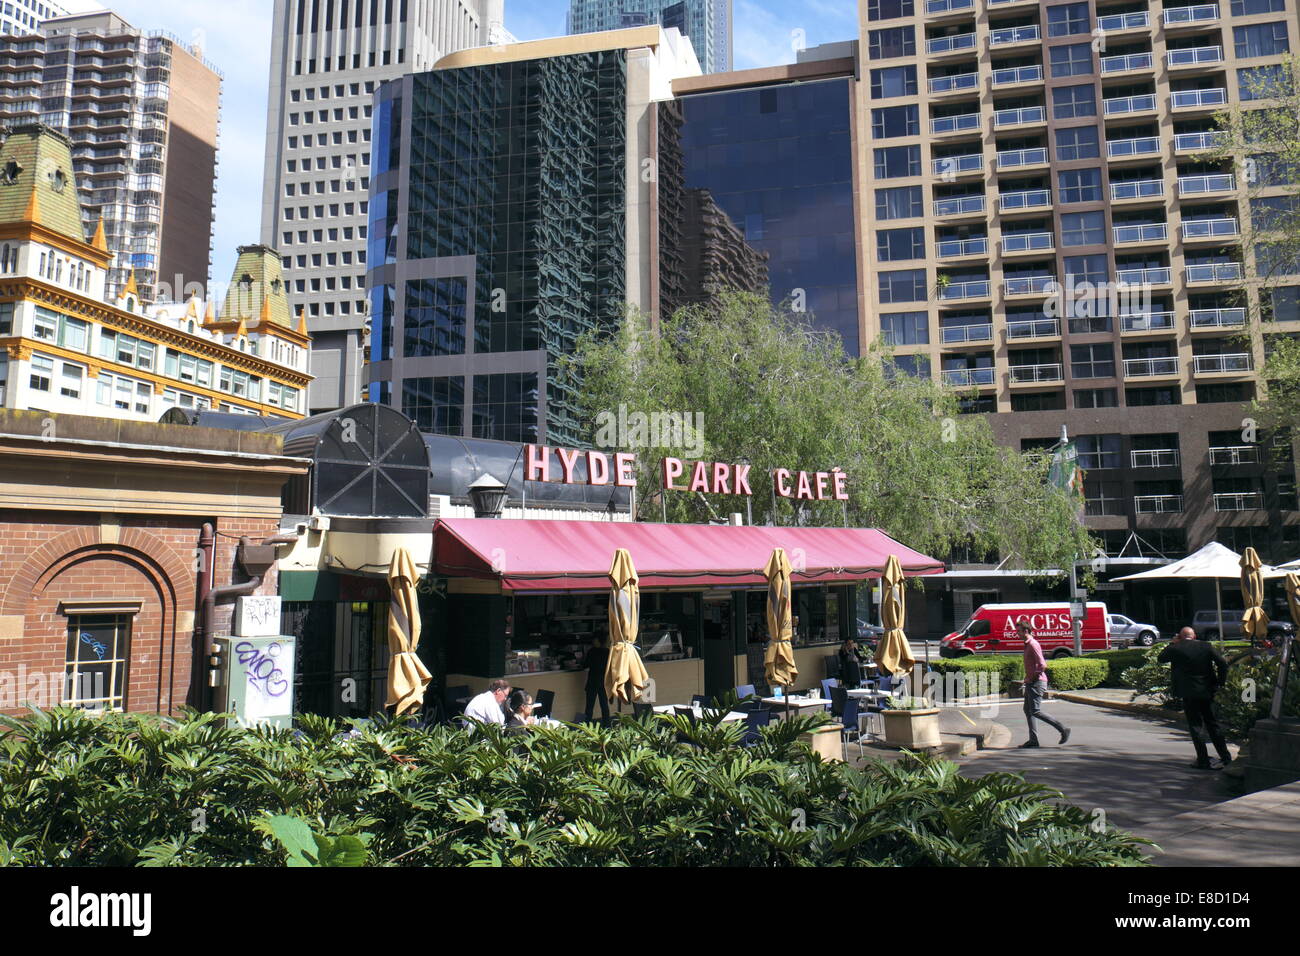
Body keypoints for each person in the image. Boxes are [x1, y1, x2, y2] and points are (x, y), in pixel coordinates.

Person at [1159, 626, 1232, 769]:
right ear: (1194, 636)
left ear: (1180, 636)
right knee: (1212, 723)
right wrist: (1220, 682)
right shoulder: (1206, 646)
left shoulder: (1176, 648)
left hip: (1188, 692)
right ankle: (1225, 757)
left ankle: (1203, 759)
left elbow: (1161, 658)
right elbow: (1222, 663)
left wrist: (1173, 643)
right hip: (1207, 690)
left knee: (1195, 726)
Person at [1018, 617, 1071, 748]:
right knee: (1028, 710)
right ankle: (1033, 740)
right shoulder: (1027, 644)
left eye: (1018, 631)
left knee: (1035, 711)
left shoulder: (1032, 644)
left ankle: (1063, 729)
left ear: (1025, 631)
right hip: (1031, 682)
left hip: (1037, 682)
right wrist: (1027, 677)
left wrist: (1032, 678)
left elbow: (1042, 665)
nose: (1017, 634)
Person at [585, 631, 611, 723]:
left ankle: (587, 726)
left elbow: (585, 665)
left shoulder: (591, 651)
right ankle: (607, 725)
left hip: (592, 682)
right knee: (604, 705)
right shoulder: (608, 652)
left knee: (589, 707)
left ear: (598, 641)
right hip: (604, 682)